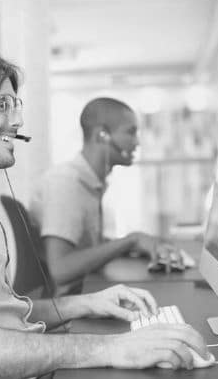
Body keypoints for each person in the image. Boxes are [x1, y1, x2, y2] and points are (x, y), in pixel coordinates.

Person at [0, 48, 211, 378]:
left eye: (15, 105)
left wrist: (88, 303)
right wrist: (108, 348)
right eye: (1, 105)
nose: (17, 120)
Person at [30, 97, 181, 295]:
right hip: (70, 302)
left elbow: (87, 247)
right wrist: (130, 240)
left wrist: (137, 243)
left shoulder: (89, 181)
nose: (137, 142)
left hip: (86, 289)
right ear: (102, 135)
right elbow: (61, 270)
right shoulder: (65, 184)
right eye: (131, 132)